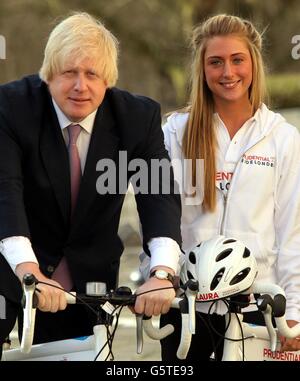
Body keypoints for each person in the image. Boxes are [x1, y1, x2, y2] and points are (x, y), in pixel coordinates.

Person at [0, 12, 182, 358]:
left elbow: (158, 195)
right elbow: (4, 190)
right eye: (69, 73)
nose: (80, 86)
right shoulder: (11, 106)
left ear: (108, 80)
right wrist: (29, 271)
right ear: (49, 73)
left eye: (92, 74)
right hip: (11, 276)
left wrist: (162, 273)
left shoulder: (137, 118)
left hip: (89, 287)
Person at [156, 14, 300, 360]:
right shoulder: (175, 132)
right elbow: (159, 220)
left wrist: (293, 308)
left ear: (254, 64)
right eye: (215, 62)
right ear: (202, 69)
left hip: (258, 310)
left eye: (238, 60)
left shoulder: (282, 138)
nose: (228, 72)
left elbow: (292, 232)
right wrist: (159, 278)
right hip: (185, 309)